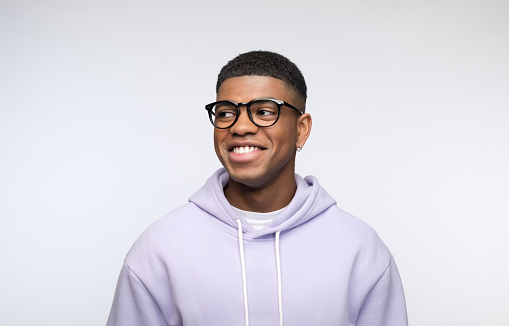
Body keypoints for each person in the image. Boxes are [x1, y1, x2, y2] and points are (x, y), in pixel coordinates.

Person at [106, 51, 408, 326]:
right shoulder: (159, 248)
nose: (240, 127)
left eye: (264, 111)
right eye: (225, 112)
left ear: (301, 129)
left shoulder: (360, 249)